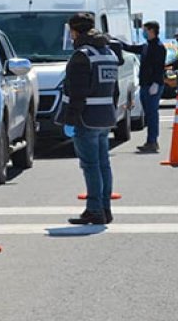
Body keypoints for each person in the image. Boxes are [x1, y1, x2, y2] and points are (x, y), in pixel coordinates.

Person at [56, 13, 118, 225]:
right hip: (105, 117)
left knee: (91, 166)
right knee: (103, 165)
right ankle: (105, 209)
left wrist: (70, 119)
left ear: (74, 31)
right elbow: (115, 90)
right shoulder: (107, 52)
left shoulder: (82, 55)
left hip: (86, 118)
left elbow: (77, 93)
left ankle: (94, 210)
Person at [118, 21, 166, 153]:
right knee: (148, 114)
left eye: (145, 30)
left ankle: (152, 141)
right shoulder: (146, 46)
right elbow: (130, 48)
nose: (143, 32)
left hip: (153, 85)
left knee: (152, 114)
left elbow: (159, 67)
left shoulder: (159, 47)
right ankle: (150, 141)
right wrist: (116, 42)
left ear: (151, 30)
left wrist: (156, 83)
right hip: (145, 85)